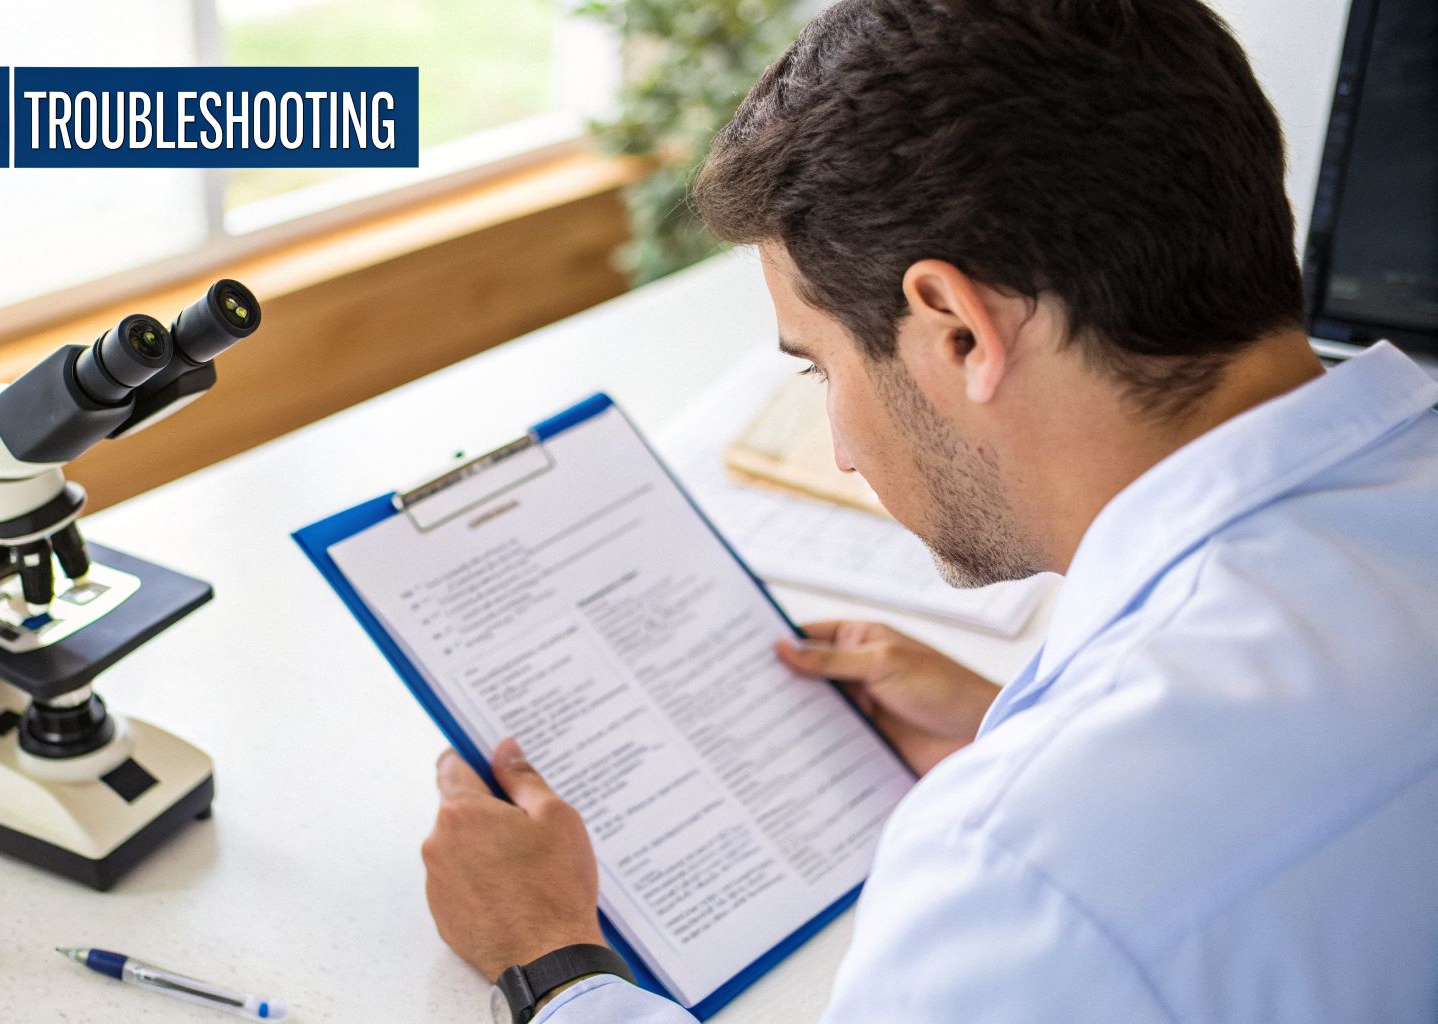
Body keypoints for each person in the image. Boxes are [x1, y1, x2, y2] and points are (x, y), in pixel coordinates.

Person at [418, 0, 1438, 1020]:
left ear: (955, 329)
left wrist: (550, 960)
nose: (844, 453)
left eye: (821, 367)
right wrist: (1011, 720)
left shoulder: (1018, 872)